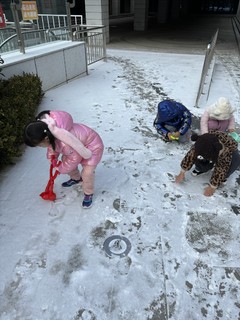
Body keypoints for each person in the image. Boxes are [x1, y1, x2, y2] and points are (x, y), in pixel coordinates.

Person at [24, 110, 104, 208]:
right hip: (75, 148)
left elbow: (74, 159)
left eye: (39, 145)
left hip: (92, 147)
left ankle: (88, 193)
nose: (40, 147)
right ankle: (76, 178)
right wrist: (52, 158)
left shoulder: (64, 141)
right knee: (64, 161)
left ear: (45, 139)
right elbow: (52, 147)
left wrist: (61, 168)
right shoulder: (51, 133)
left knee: (87, 173)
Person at [175, 131, 240, 197]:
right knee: (201, 162)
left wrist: (213, 187)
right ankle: (200, 168)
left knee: (233, 163)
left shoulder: (225, 152)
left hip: (230, 153)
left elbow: (221, 169)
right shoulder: (201, 142)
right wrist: (182, 172)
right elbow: (190, 156)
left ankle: (223, 177)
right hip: (210, 150)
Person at [191, 97, 236, 176]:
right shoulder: (209, 111)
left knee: (216, 152)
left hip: (219, 135)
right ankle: (198, 168)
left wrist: (231, 127)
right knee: (203, 153)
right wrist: (205, 135)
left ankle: (212, 164)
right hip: (208, 135)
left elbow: (231, 119)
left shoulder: (228, 112)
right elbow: (203, 123)